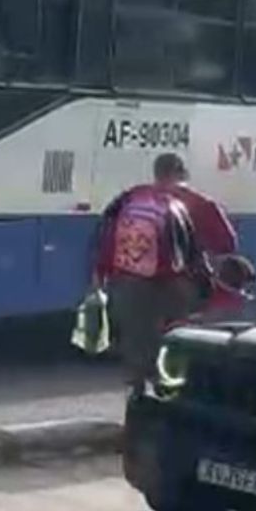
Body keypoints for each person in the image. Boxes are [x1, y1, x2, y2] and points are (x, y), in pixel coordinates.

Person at [92, 154, 228, 384]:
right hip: (176, 285)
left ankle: (138, 387)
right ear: (180, 174)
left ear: (156, 173)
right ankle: (173, 382)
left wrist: (99, 274)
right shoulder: (198, 203)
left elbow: (107, 235)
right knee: (178, 335)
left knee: (136, 339)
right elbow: (226, 243)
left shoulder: (132, 197)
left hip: (130, 281)